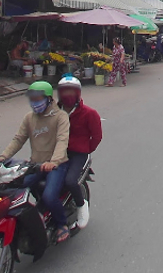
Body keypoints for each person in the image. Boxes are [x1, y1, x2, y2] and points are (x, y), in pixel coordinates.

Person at [0, 81, 70, 242]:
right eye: (32, 99)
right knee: (15, 188)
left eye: (38, 99)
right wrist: (2, 157)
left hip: (56, 166)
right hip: (35, 165)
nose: (34, 103)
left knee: (49, 196)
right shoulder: (29, 118)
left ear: (48, 99)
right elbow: (18, 140)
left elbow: (62, 141)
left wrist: (54, 161)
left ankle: (62, 224)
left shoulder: (61, 117)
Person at [57, 75, 102, 229]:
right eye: (64, 91)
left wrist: (85, 149)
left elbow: (96, 136)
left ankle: (82, 207)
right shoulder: (54, 112)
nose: (67, 95)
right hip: (57, 153)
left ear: (78, 93)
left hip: (79, 154)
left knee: (70, 181)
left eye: (71, 91)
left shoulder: (89, 113)